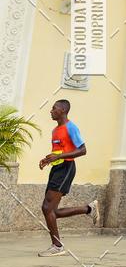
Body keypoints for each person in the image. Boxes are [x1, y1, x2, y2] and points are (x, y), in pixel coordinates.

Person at [38, 100, 98, 256]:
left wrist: (60, 157)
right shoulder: (55, 130)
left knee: (47, 208)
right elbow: (58, 152)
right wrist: (48, 159)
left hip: (66, 168)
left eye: (54, 108)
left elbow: (83, 150)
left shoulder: (71, 127)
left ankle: (57, 246)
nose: (51, 111)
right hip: (56, 169)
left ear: (63, 110)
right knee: (52, 211)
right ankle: (88, 209)